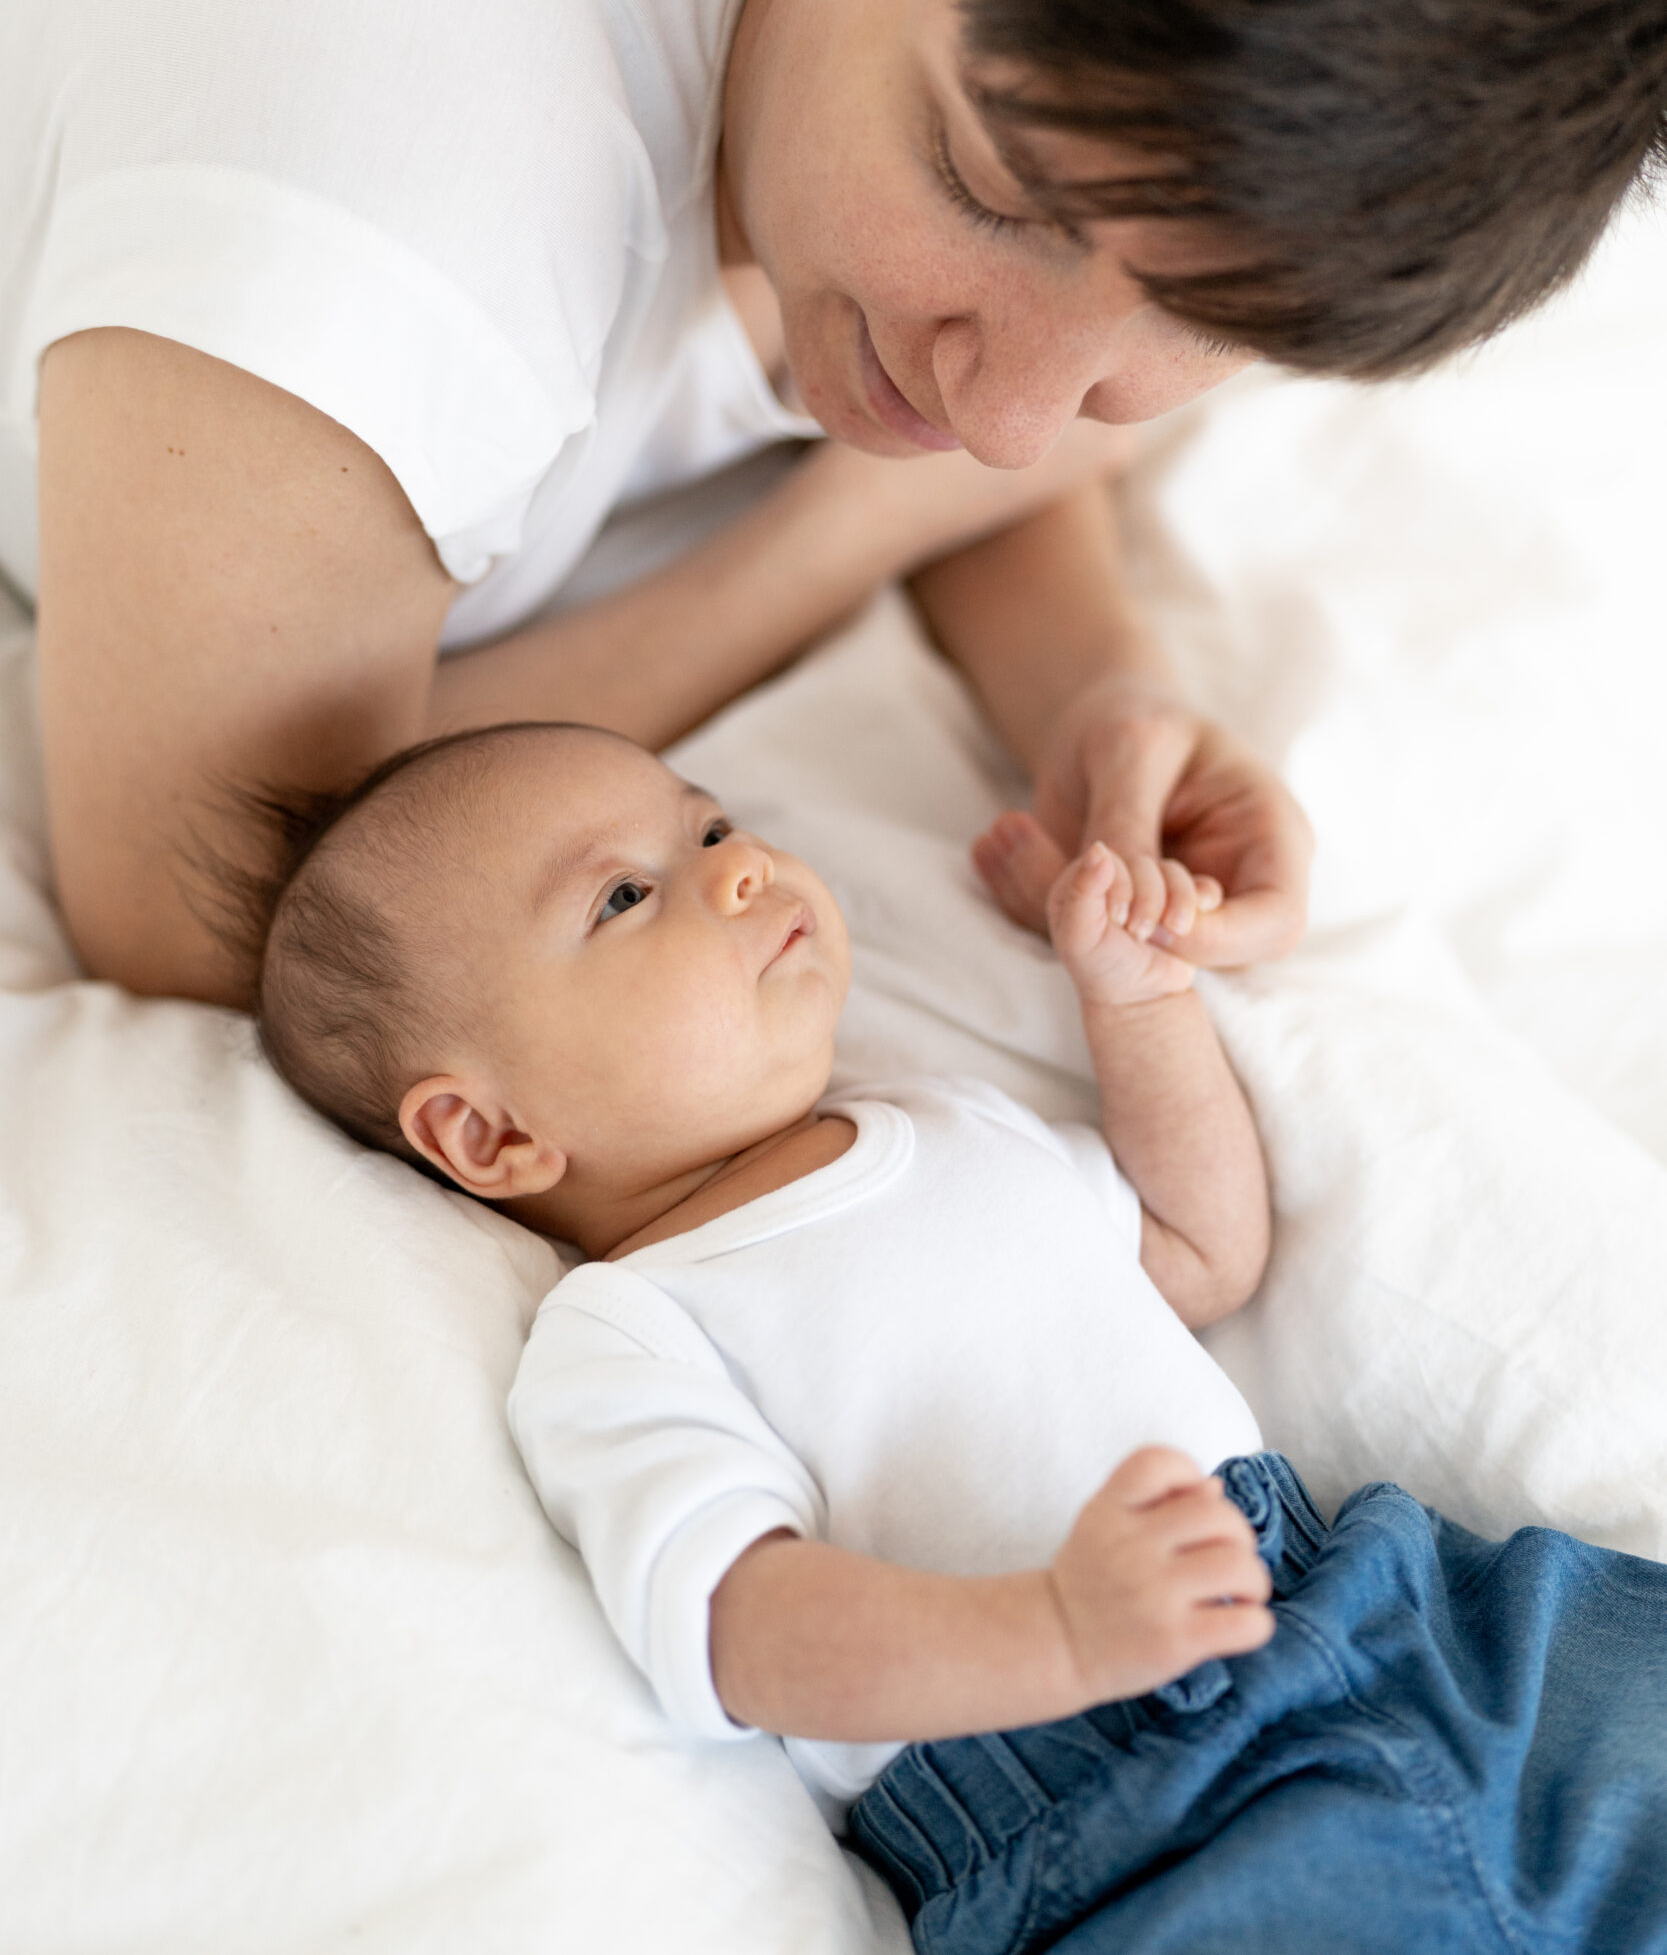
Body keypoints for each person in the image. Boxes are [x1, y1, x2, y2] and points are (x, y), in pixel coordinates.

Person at [4, 0, 1666, 1009]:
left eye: (1212, 324)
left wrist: (1088, 682)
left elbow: (985, 415)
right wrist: (840, 539)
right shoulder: (369, 191)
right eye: (993, 186)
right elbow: (223, 911)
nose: (1012, 426)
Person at [235, 716, 1667, 1951]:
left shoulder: (945, 1123)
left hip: (1386, 1597)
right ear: (487, 1133)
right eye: (624, 896)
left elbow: (1201, 1251)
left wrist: (1138, 1000)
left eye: (712, 822)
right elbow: (742, 1630)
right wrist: (1045, 1632)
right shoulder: (627, 1333)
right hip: (1105, 1782)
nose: (738, 865)